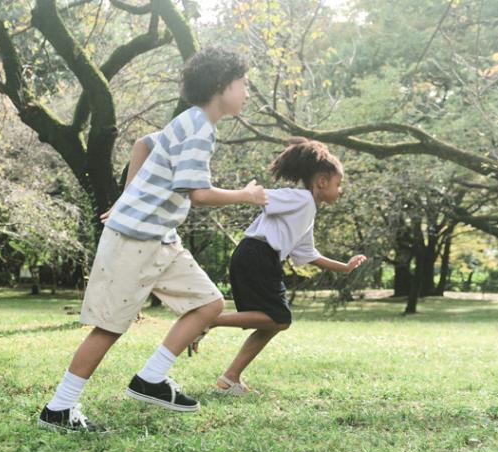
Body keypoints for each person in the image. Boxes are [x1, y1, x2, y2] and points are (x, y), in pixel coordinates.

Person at [38, 46, 267, 432]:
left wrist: (129, 199)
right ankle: (59, 408)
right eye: (243, 83)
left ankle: (151, 379)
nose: (247, 91)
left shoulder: (188, 121)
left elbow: (143, 143)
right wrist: (246, 195)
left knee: (208, 303)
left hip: (159, 237)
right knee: (110, 326)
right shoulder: (198, 129)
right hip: (134, 239)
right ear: (221, 86)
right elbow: (198, 193)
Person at [193, 138, 367, 395]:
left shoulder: (307, 209)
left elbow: (307, 253)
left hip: (259, 257)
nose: (339, 190)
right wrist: (247, 194)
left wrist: (344, 267)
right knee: (279, 318)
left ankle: (229, 379)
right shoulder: (301, 199)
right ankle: (209, 321)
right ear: (322, 181)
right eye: (338, 184)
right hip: (257, 255)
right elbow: (263, 197)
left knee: (274, 322)